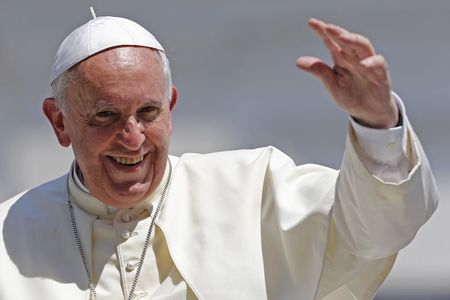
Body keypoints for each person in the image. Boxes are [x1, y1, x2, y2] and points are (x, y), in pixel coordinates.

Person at [0, 14, 438, 300]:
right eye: (106, 116)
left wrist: (377, 122)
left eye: (148, 112)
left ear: (170, 109)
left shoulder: (255, 188)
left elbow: (381, 229)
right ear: (59, 122)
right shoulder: (7, 238)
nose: (131, 138)